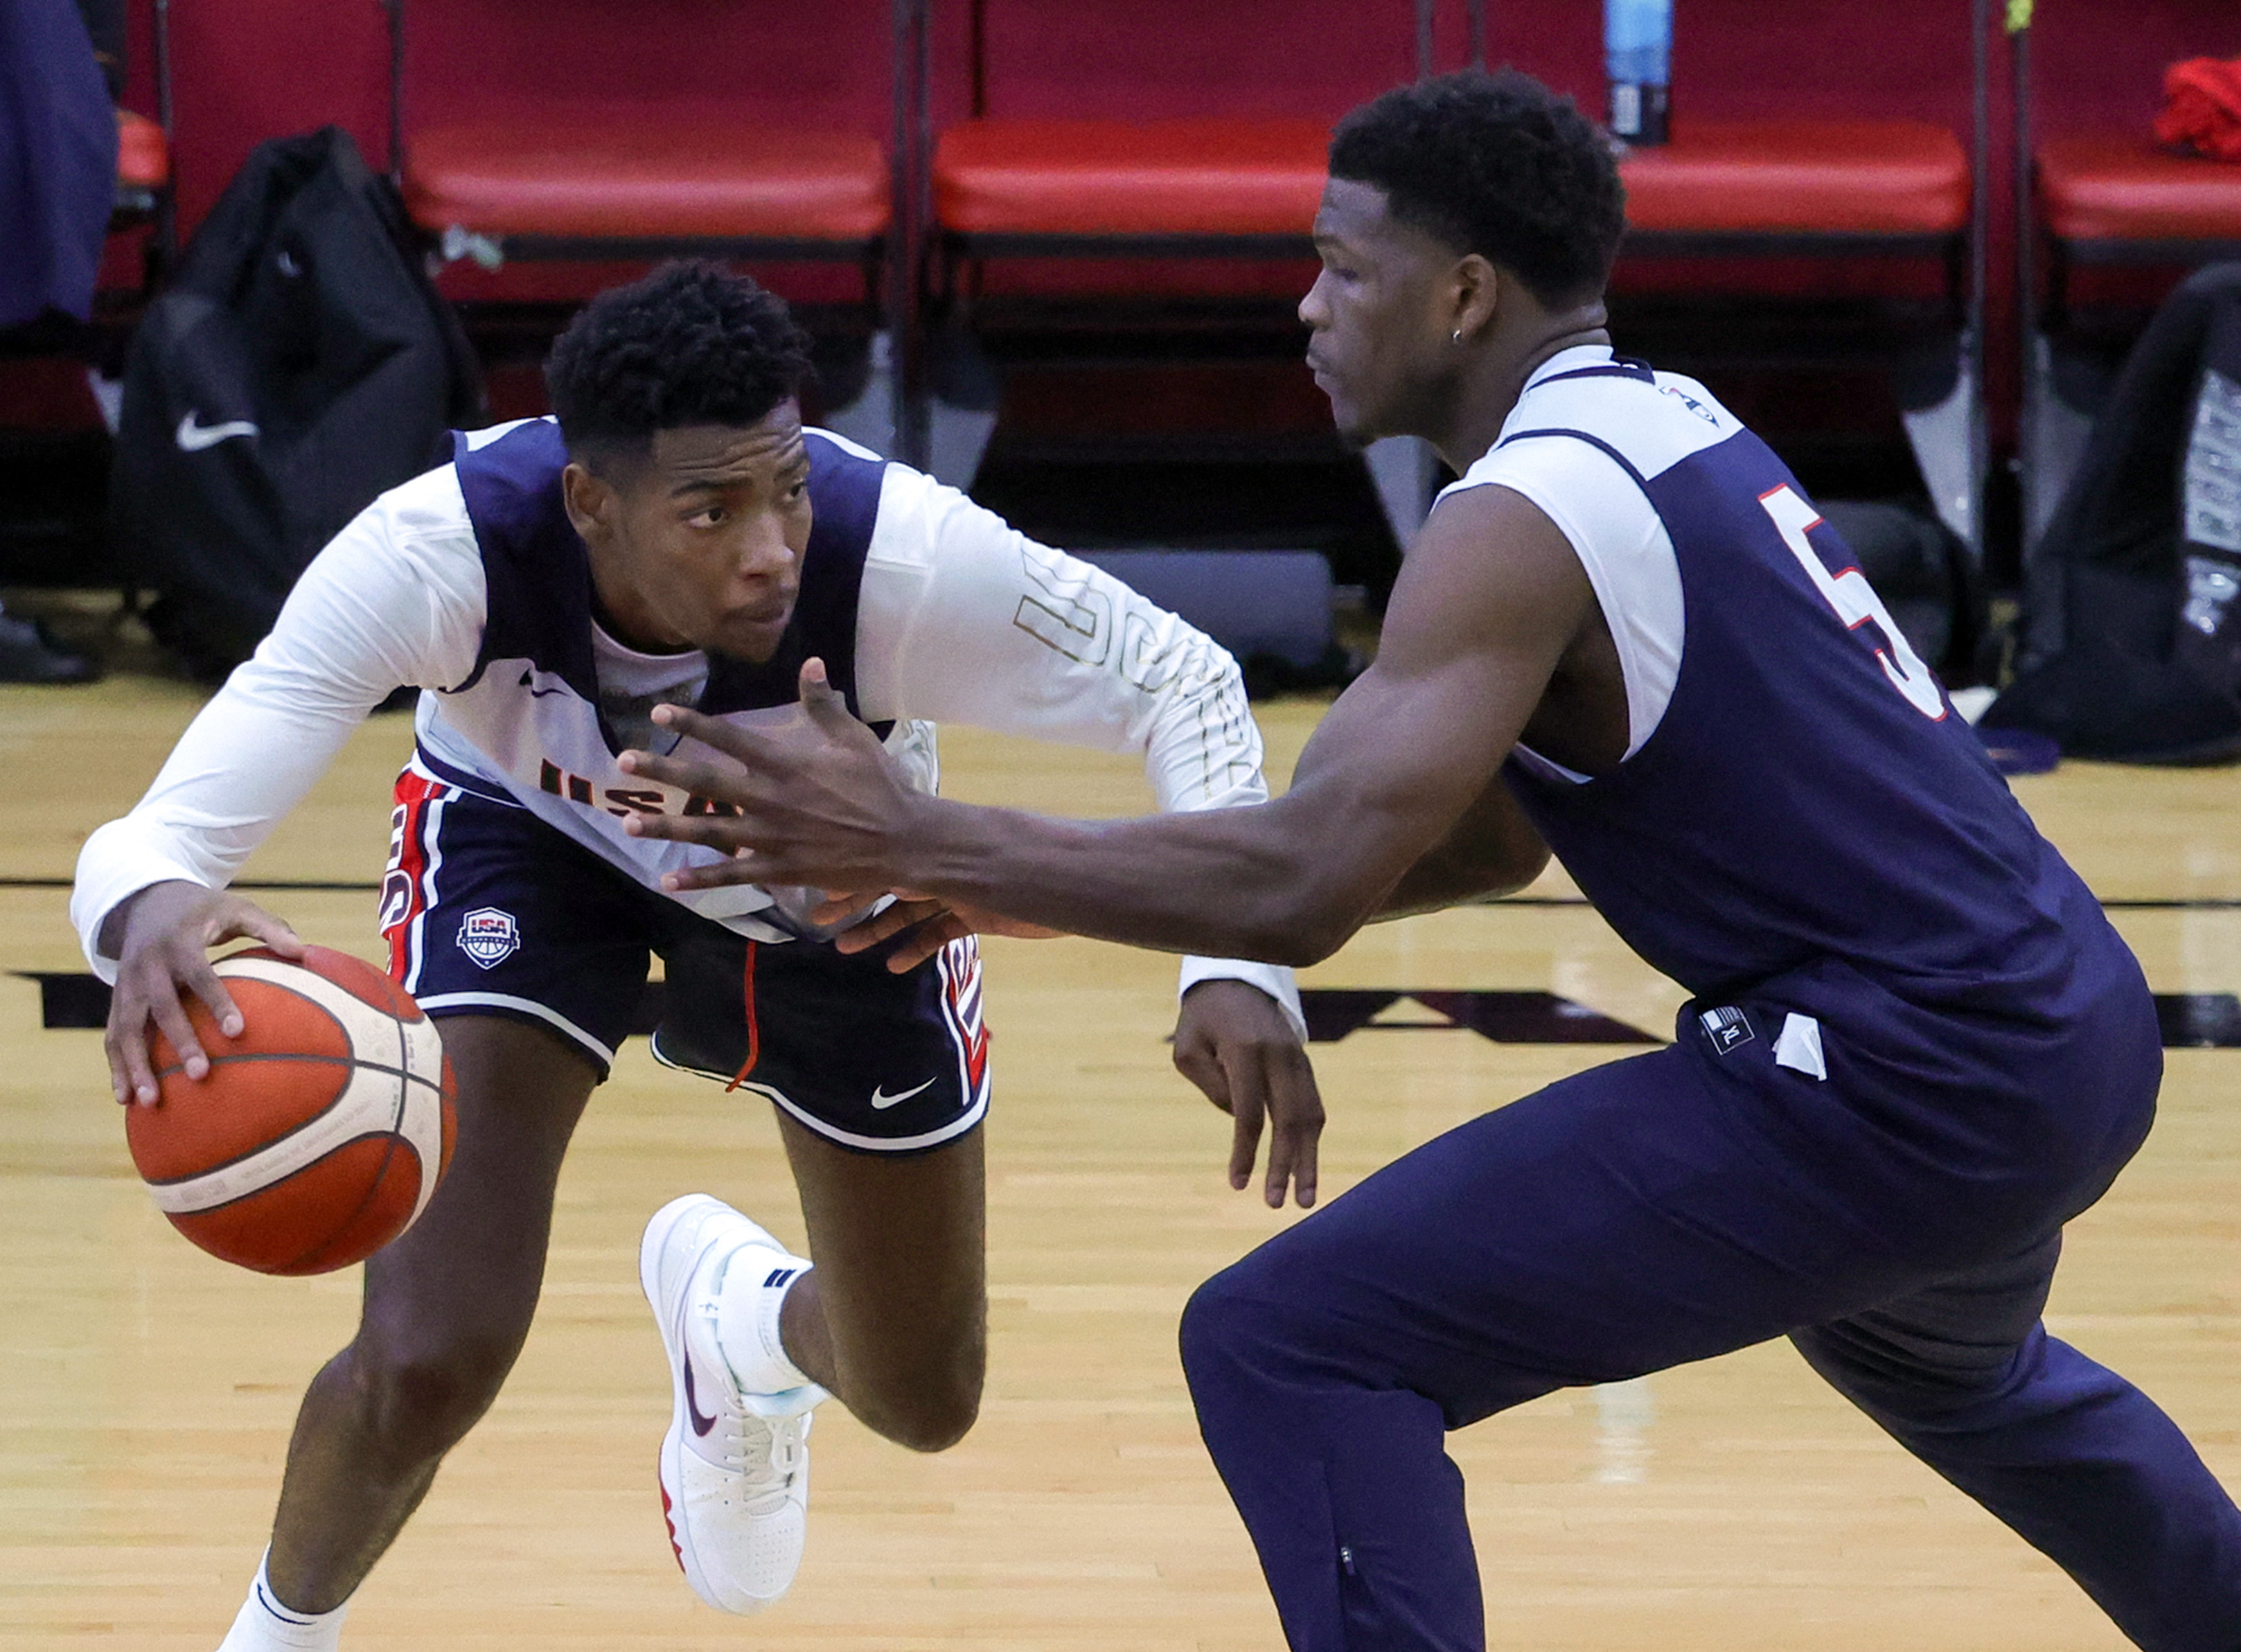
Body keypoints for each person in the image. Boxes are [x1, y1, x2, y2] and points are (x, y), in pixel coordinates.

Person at [610, 73, 2241, 1651]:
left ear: (1461, 294)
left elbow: (1307, 881)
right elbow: (1491, 830)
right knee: (1958, 1369)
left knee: (1291, 1342)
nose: (1306, 306)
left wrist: (919, 833)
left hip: (1905, 1069)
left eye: (1338, 266)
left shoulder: (1518, 517)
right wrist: (1014, 881)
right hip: (2061, 1025)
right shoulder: (1659, 426)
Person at [71, 260, 1321, 1649]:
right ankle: (276, 1633)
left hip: (832, 877)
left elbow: (1188, 681)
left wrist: (1232, 964)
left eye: (784, 487)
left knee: (923, 1394)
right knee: (431, 1353)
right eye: (712, 510)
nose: (772, 545)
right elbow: (156, 838)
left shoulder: (897, 560)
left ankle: (745, 1323)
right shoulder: (436, 552)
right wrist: (152, 912)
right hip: (529, 840)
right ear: (591, 503)